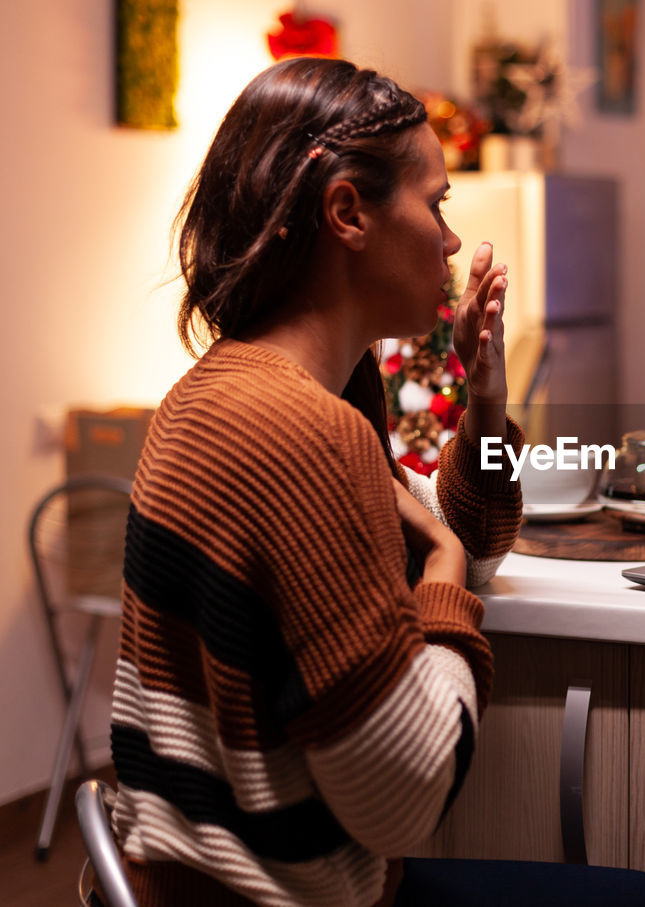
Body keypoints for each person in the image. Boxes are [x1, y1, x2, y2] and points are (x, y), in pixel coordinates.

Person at [107, 58, 526, 905]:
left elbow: (459, 533)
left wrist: (485, 407)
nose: (450, 241)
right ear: (348, 213)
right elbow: (407, 800)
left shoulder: (228, 389)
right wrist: (443, 566)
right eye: (437, 203)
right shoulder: (301, 433)